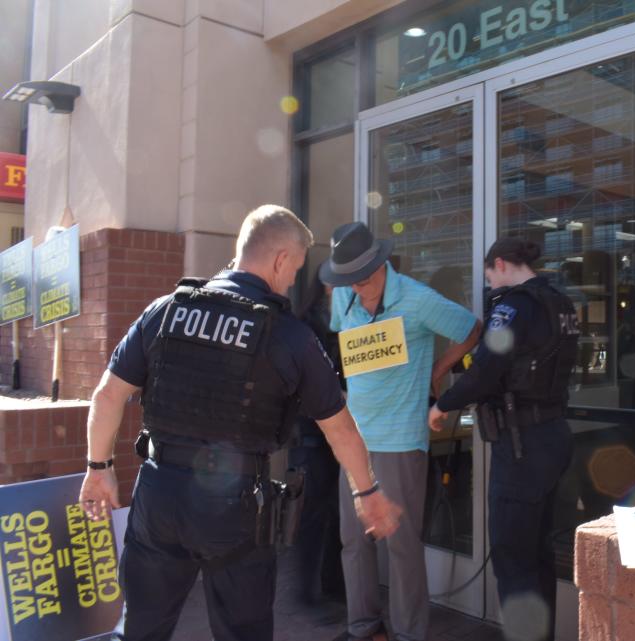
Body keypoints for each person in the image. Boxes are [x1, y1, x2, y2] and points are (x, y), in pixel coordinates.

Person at [78, 205, 401, 641]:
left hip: (158, 493)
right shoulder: (290, 335)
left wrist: (98, 470)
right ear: (281, 259)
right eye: (295, 269)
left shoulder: (167, 309)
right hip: (233, 506)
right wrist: (368, 491)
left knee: (141, 629)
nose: (291, 282)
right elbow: (339, 427)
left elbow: (107, 394)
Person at [321, 222, 481, 641]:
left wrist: (437, 370)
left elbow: (470, 329)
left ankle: (410, 633)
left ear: (381, 265)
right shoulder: (343, 295)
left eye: (364, 278)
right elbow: (343, 334)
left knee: (401, 546)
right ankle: (364, 628)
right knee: (353, 542)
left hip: (400, 441)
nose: (358, 288)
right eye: (348, 281)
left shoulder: (416, 298)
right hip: (355, 441)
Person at [428, 237, 580, 641]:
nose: (490, 285)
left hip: (521, 446)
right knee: (539, 554)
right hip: (553, 437)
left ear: (500, 264)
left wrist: (442, 404)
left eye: (489, 275)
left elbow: (485, 371)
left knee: (514, 562)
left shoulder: (513, 307)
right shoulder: (560, 304)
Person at [288, 280, 347, 614]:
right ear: (327, 287)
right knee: (312, 516)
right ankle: (306, 593)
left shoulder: (343, 322)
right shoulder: (306, 327)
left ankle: (332, 585)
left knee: (338, 515)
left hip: (338, 432)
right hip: (311, 435)